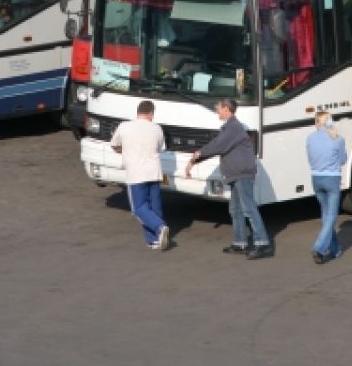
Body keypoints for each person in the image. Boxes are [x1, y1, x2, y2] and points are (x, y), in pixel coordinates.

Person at [185, 98, 273, 259]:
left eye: (218, 108)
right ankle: (240, 243)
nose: (216, 111)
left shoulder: (233, 127)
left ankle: (263, 243)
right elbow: (219, 145)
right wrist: (196, 159)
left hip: (242, 173)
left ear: (226, 109)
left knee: (248, 208)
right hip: (235, 174)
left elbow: (217, 145)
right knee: (236, 209)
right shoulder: (230, 127)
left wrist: (197, 156)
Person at [109, 100, 170, 251]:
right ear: (151, 113)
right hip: (154, 172)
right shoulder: (157, 128)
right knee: (154, 206)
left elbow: (114, 145)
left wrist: (124, 150)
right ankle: (153, 240)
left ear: (138, 112)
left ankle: (160, 227)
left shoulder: (124, 126)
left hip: (136, 173)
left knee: (139, 208)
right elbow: (161, 147)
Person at [306, 111, 346, 264]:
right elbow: (343, 160)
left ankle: (335, 249)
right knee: (331, 216)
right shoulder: (337, 139)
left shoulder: (310, 138)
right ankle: (319, 247)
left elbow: (310, 159)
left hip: (316, 178)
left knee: (326, 215)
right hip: (332, 178)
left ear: (317, 123)